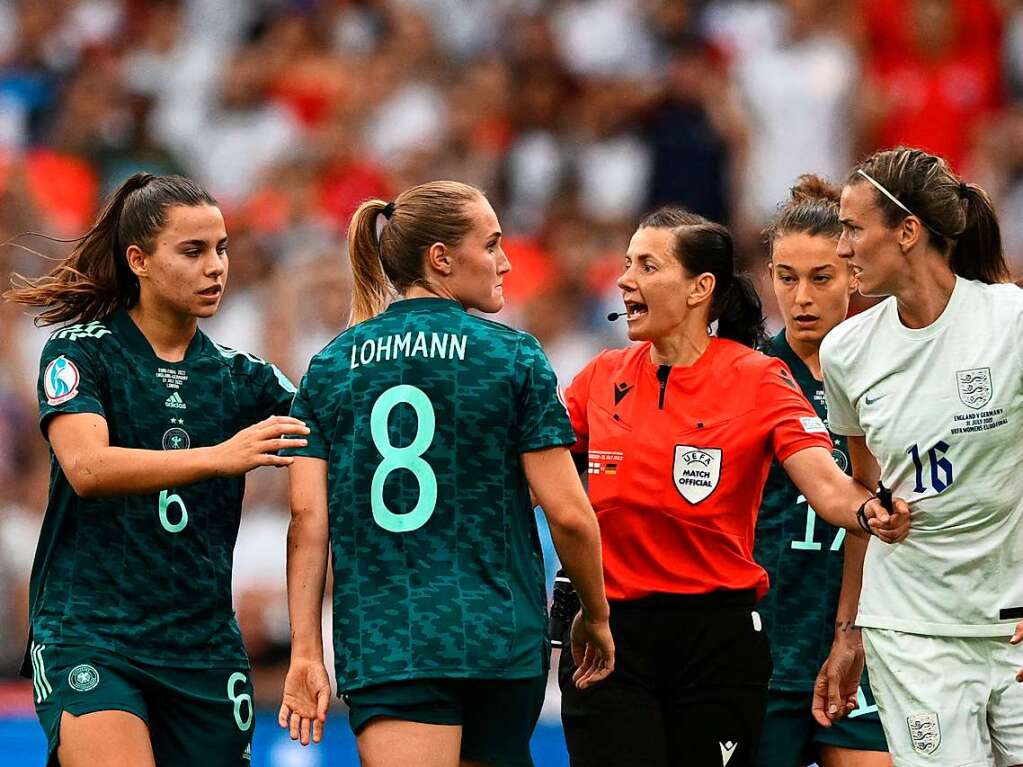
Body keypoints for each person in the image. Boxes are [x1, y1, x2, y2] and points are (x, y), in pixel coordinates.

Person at [555, 206, 909, 767]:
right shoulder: (600, 378)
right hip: (612, 635)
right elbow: (532, 472)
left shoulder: (757, 378)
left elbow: (827, 482)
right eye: (627, 264)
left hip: (717, 640)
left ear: (700, 288)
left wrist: (870, 512)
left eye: (647, 266)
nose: (624, 280)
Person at [277, 181, 614, 767]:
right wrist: (596, 613)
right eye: (492, 244)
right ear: (441, 258)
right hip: (499, 638)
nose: (505, 261)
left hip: (389, 639)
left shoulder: (330, 365)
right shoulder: (514, 356)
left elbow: (308, 519)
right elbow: (568, 513)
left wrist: (307, 648)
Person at [3, 173, 305, 767]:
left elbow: (342, 441)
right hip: (92, 633)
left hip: (204, 648)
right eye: (192, 251)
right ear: (138, 259)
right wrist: (223, 455)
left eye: (221, 248)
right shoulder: (79, 352)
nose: (215, 267)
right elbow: (87, 467)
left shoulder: (246, 378)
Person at [819, 146, 1023, 765]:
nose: (843, 248)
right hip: (912, 630)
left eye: (854, 229)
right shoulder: (846, 351)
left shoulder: (1010, 321)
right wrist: (848, 630)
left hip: (1012, 619)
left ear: (907, 231)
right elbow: (863, 489)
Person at [754, 176, 890, 766]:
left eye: (821, 277)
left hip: (868, 644)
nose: (801, 297)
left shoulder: (891, 373)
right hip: (767, 645)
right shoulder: (746, 376)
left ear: (853, 275)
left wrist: (851, 630)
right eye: (786, 278)